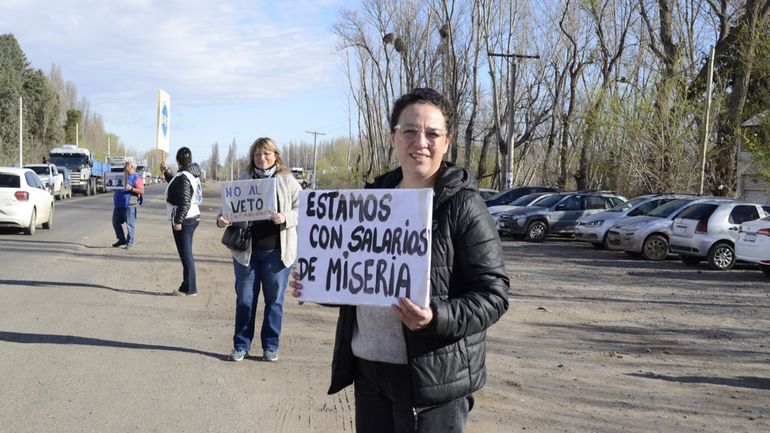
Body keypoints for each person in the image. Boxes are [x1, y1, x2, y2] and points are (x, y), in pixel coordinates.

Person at [291, 88, 510, 432]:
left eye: (432, 133)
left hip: (433, 379)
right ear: (393, 137)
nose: (420, 141)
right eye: (409, 130)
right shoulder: (370, 200)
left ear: (447, 141)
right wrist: (319, 283)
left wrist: (434, 317)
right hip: (369, 368)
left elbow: (493, 296)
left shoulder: (464, 206)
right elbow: (358, 279)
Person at [216, 137, 302, 362]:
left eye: (266, 154)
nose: (261, 158)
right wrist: (222, 219)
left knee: (274, 302)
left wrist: (286, 217)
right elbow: (226, 209)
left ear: (275, 156)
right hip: (246, 254)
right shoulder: (243, 180)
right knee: (245, 300)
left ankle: (270, 346)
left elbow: (303, 208)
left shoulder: (287, 180)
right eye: (257, 155)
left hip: (277, 253)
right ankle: (241, 345)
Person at [161, 147, 203, 297]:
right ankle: (187, 285)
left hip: (185, 219)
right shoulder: (191, 173)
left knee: (186, 255)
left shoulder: (185, 175)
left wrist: (178, 220)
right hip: (193, 216)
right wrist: (166, 172)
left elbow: (184, 201)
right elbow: (177, 186)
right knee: (187, 254)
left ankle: (189, 288)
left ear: (178, 160)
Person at [112, 161, 144, 248]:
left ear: (132, 167)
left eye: (127, 164)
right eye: (125, 164)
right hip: (118, 205)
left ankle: (130, 242)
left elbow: (141, 191)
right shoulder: (121, 176)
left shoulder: (136, 178)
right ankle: (122, 239)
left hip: (129, 205)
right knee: (115, 223)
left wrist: (131, 188)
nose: (125, 166)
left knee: (130, 225)